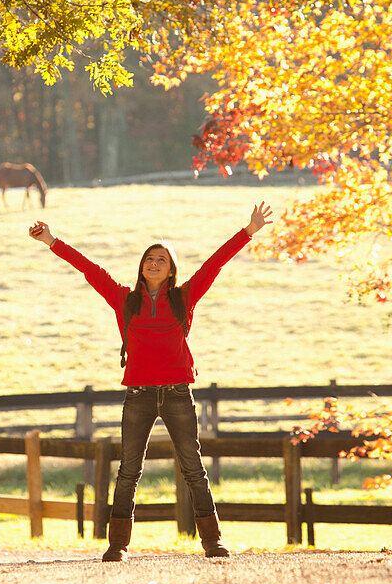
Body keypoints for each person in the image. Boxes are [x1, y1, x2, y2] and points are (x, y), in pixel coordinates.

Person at [28, 201, 273, 561]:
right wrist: (52, 240)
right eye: (149, 258)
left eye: (161, 259)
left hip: (177, 395)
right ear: (142, 266)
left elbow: (214, 264)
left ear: (172, 270)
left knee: (193, 468)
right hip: (139, 396)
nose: (154, 262)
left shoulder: (183, 297)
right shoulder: (124, 298)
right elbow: (88, 268)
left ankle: (213, 542)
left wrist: (248, 231)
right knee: (129, 470)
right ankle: (118, 546)